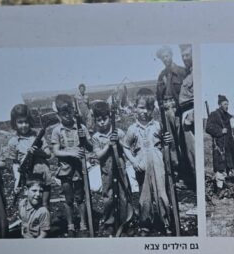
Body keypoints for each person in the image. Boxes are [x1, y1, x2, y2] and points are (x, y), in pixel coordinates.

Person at [122, 96, 173, 234]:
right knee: (145, 197)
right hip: (141, 163)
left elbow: (167, 142)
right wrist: (133, 161)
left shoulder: (158, 125)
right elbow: (125, 147)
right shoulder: (132, 129)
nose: (145, 111)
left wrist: (168, 140)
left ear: (153, 109)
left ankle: (166, 222)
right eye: (141, 107)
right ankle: (145, 224)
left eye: (149, 108)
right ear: (135, 108)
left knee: (162, 194)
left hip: (157, 161)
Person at [88, 100, 135, 236]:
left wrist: (118, 141)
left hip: (120, 170)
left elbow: (126, 148)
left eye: (105, 119)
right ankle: (109, 223)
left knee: (124, 195)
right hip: (106, 172)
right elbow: (98, 155)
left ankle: (127, 221)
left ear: (110, 117)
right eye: (99, 120)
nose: (102, 122)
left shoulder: (118, 132)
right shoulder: (96, 137)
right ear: (95, 121)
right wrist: (108, 145)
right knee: (108, 197)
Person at [48, 94, 90, 236]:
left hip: (79, 169)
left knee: (80, 197)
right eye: (63, 113)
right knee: (69, 199)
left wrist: (84, 138)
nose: (67, 115)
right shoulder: (57, 131)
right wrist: (71, 153)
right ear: (58, 114)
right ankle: (70, 225)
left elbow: (89, 146)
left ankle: (83, 224)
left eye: (69, 111)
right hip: (65, 170)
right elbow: (56, 151)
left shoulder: (80, 127)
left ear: (73, 110)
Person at [155, 45, 188, 185]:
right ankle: (177, 174)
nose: (165, 59)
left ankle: (188, 174)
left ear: (171, 55)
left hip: (178, 111)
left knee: (183, 142)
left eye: (167, 56)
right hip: (166, 111)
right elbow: (158, 97)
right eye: (162, 57)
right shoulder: (161, 76)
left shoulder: (182, 72)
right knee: (172, 143)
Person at [176, 44, 196, 191]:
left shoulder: (196, 73)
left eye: (187, 55)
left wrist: (192, 116)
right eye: (183, 55)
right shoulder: (189, 73)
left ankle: (197, 186)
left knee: (193, 153)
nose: (184, 58)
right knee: (188, 153)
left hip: (190, 115)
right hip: (186, 113)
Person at [205, 95, 234, 190]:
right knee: (220, 166)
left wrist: (232, 145)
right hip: (219, 145)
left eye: (227, 104)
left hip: (227, 145)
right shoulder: (214, 114)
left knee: (227, 166)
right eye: (225, 104)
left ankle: (223, 185)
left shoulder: (227, 116)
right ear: (219, 105)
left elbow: (229, 133)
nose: (227, 106)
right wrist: (220, 131)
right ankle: (219, 188)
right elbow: (208, 128)